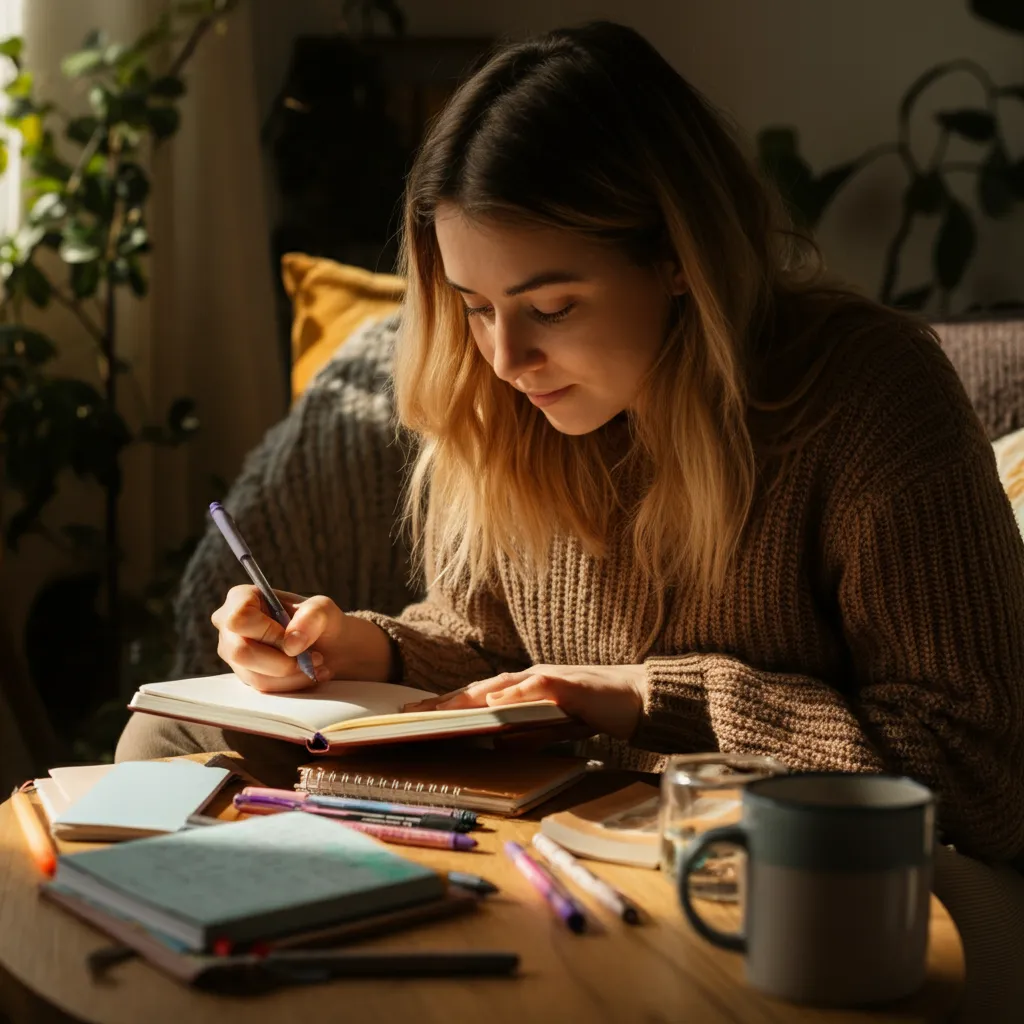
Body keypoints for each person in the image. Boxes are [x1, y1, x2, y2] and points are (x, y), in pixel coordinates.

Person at [118, 22, 1024, 868]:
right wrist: (365, 649)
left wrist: (648, 697)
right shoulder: (519, 402)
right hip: (577, 824)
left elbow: (982, 775)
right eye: (476, 309)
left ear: (677, 258)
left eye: (552, 307)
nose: (506, 359)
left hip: (806, 859)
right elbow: (495, 642)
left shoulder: (870, 399)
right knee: (166, 740)